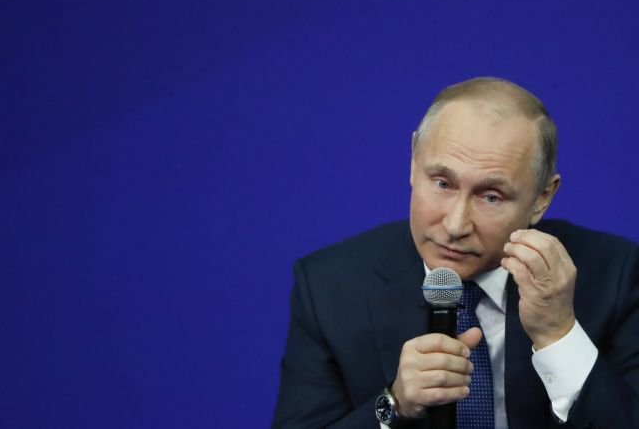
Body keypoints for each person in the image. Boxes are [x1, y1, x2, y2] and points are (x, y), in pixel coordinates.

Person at [272, 77, 639, 428]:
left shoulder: (616, 275)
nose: (455, 225)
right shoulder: (328, 287)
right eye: (443, 183)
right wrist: (395, 403)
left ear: (543, 197)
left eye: (491, 196)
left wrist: (558, 334)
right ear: (413, 162)